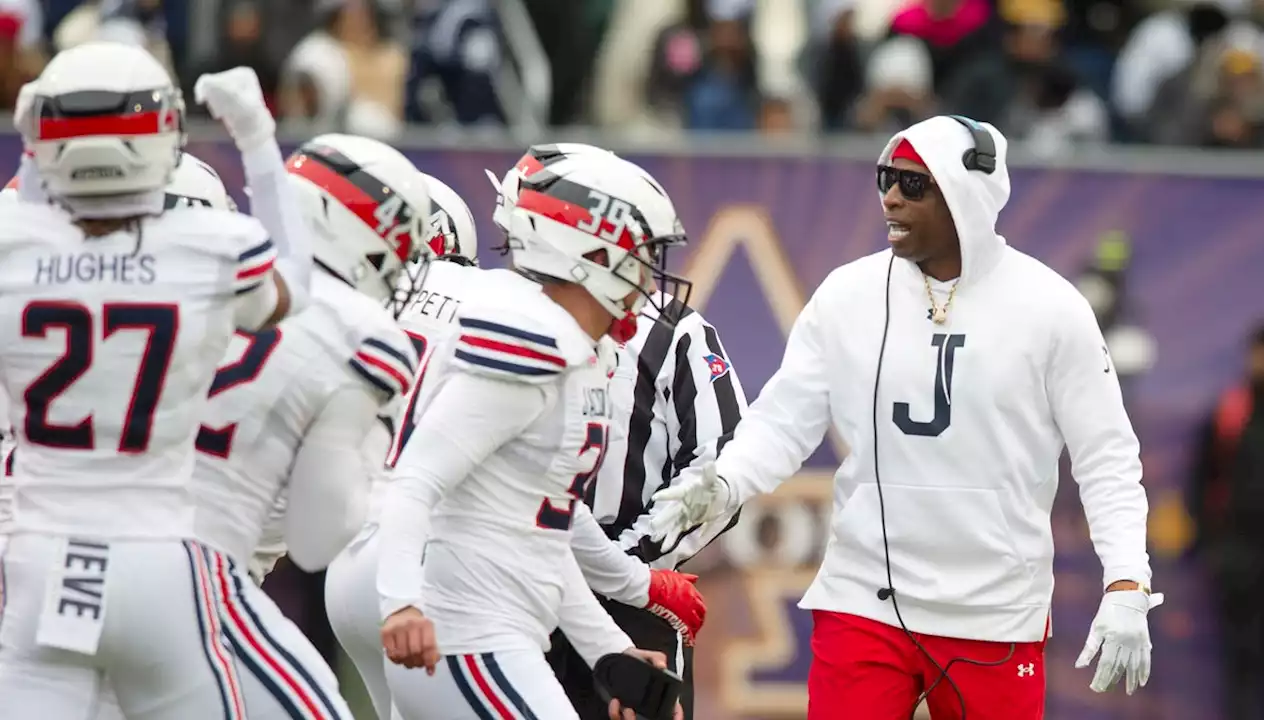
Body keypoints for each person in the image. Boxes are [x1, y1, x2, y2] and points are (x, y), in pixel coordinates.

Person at [648, 115, 1159, 720]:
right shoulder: (848, 294)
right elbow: (785, 419)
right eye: (886, 178)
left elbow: (1106, 456)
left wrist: (1127, 580)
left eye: (913, 184)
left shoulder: (1052, 308)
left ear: (966, 196)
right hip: (865, 599)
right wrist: (726, 482)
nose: (890, 195)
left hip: (995, 610)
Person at [0, 43, 319, 719]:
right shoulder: (207, 250)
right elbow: (296, 278)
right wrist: (257, 139)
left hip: (43, 565)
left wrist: (34, 146)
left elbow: (29, 213)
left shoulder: (11, 245)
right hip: (159, 565)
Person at [325, 161, 705, 720]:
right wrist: (403, 601)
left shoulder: (574, 348)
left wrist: (610, 651)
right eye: (642, 256)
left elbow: (545, 529)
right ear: (592, 255)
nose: (650, 280)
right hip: (462, 617)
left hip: (469, 610)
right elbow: (416, 481)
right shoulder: (536, 341)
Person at [487, 144, 744, 719]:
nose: (647, 268)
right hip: (510, 586)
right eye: (631, 245)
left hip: (623, 588)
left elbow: (724, 463)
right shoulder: (493, 322)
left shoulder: (674, 334)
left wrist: (631, 563)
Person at [1188, 321, 1264, 720]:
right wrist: (1214, 549)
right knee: (1241, 668)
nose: (1256, 362)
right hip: (1241, 564)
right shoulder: (1231, 413)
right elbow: (1201, 482)